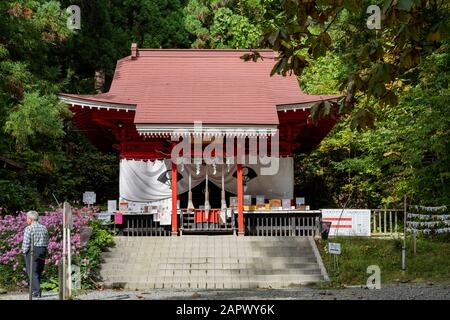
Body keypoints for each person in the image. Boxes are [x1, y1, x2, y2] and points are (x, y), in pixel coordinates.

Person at [22, 211, 49, 298]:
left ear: (30, 219)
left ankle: (36, 292)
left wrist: (24, 252)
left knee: (32, 272)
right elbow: (47, 240)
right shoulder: (44, 228)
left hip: (33, 250)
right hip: (43, 249)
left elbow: (26, 243)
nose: (26, 220)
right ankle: (36, 290)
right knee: (38, 271)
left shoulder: (29, 228)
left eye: (27, 218)